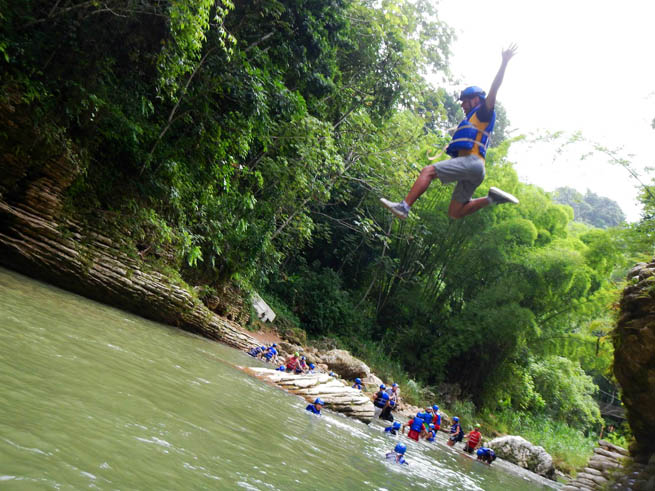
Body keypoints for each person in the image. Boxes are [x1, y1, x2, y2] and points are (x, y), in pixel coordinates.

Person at [380, 45, 519, 221]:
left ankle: (404, 207)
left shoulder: (484, 111)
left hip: (472, 162)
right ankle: (492, 198)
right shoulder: (472, 119)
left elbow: (494, 89)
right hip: (477, 170)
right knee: (455, 212)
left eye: (465, 101)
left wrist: (504, 62)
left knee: (427, 171)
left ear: (476, 99)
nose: (462, 105)